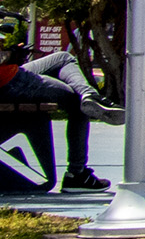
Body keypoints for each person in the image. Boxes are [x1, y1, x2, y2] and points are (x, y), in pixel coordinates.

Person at [0, 33, 116, 193]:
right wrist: (9, 56)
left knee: (63, 58)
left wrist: (10, 57)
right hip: (8, 82)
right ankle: (77, 174)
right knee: (77, 101)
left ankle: (89, 94)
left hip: (10, 75)